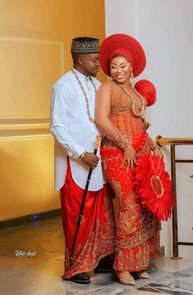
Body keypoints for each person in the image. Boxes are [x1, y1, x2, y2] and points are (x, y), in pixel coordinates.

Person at [95, 33, 163, 286]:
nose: (118, 70)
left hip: (140, 153)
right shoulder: (107, 88)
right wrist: (125, 146)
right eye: (114, 66)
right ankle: (122, 266)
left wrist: (152, 146)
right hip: (117, 153)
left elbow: (137, 123)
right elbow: (102, 121)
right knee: (128, 205)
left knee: (145, 205)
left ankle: (138, 263)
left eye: (123, 66)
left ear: (132, 68)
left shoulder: (133, 90)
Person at [50, 37, 115, 284]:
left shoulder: (98, 84)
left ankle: (98, 260)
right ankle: (76, 267)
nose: (99, 63)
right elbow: (56, 126)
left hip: (97, 161)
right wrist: (80, 153)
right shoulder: (63, 86)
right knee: (78, 213)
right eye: (95, 59)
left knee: (101, 210)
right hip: (75, 163)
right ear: (80, 59)